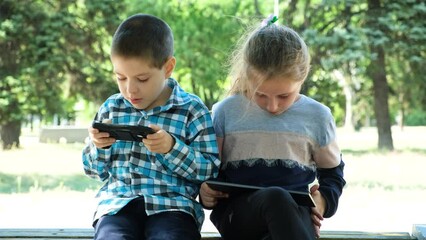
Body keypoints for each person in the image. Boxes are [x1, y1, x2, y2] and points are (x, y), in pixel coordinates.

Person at [199, 15, 346, 240]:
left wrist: (323, 201)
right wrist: (205, 191)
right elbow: (206, 170)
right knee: (276, 198)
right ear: (248, 77)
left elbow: (333, 175)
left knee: (283, 213)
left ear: (302, 77)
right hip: (238, 216)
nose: (273, 106)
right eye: (261, 95)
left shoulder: (317, 116)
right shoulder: (225, 112)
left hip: (294, 216)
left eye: (284, 96)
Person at [82, 14, 221, 240]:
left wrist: (171, 148)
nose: (130, 90)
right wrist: (99, 147)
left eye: (142, 79)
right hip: (117, 206)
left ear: (168, 68)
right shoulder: (111, 108)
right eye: (121, 78)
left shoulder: (192, 110)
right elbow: (92, 171)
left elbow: (209, 170)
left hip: (172, 208)